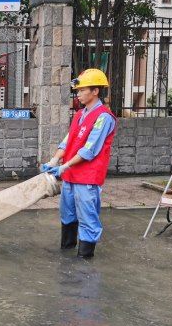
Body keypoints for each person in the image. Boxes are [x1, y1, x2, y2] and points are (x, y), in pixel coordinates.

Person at [40, 68, 116, 259]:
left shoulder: (103, 117)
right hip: (71, 176)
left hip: (87, 178)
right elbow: (67, 141)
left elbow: (89, 150)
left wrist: (64, 166)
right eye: (78, 90)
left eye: (83, 90)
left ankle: (84, 261)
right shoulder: (79, 115)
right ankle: (67, 254)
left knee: (88, 219)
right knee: (68, 215)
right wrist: (54, 160)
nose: (79, 94)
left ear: (95, 91)